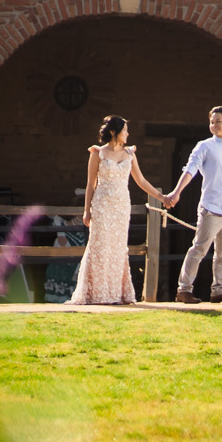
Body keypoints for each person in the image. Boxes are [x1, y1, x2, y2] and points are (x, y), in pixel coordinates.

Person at [68, 115, 165, 305]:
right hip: (102, 206)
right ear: (114, 132)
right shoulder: (97, 153)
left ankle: (115, 293)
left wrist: (161, 197)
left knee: (118, 248)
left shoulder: (130, 154)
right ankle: (97, 293)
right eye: (125, 130)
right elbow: (90, 184)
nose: (128, 134)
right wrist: (87, 211)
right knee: (100, 246)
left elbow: (141, 181)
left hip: (121, 206)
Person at [164, 105, 222, 304]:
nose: (213, 125)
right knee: (199, 249)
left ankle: (219, 289)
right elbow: (190, 170)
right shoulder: (204, 146)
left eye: (218, 122)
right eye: (211, 122)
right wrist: (176, 192)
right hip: (211, 209)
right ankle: (184, 289)